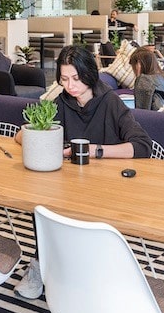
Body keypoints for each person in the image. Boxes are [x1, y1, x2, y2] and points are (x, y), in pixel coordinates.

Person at [13, 45, 153, 299]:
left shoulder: (109, 101)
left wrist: (94, 151)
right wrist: (43, 140)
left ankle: (70, 268)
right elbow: (21, 134)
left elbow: (142, 146)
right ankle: (41, 264)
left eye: (76, 79)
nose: (70, 86)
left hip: (106, 186)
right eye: (64, 79)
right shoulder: (62, 101)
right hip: (68, 183)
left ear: (89, 74)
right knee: (41, 203)